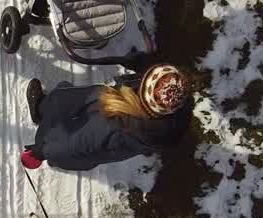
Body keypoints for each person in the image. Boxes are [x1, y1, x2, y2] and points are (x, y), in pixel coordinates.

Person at [20, 64, 191, 171]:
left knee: (63, 131)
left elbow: (71, 145)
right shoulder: (174, 104)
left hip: (73, 149)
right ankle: (54, 103)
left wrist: (40, 152)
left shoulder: (117, 127)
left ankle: (40, 110)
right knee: (70, 98)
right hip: (112, 108)